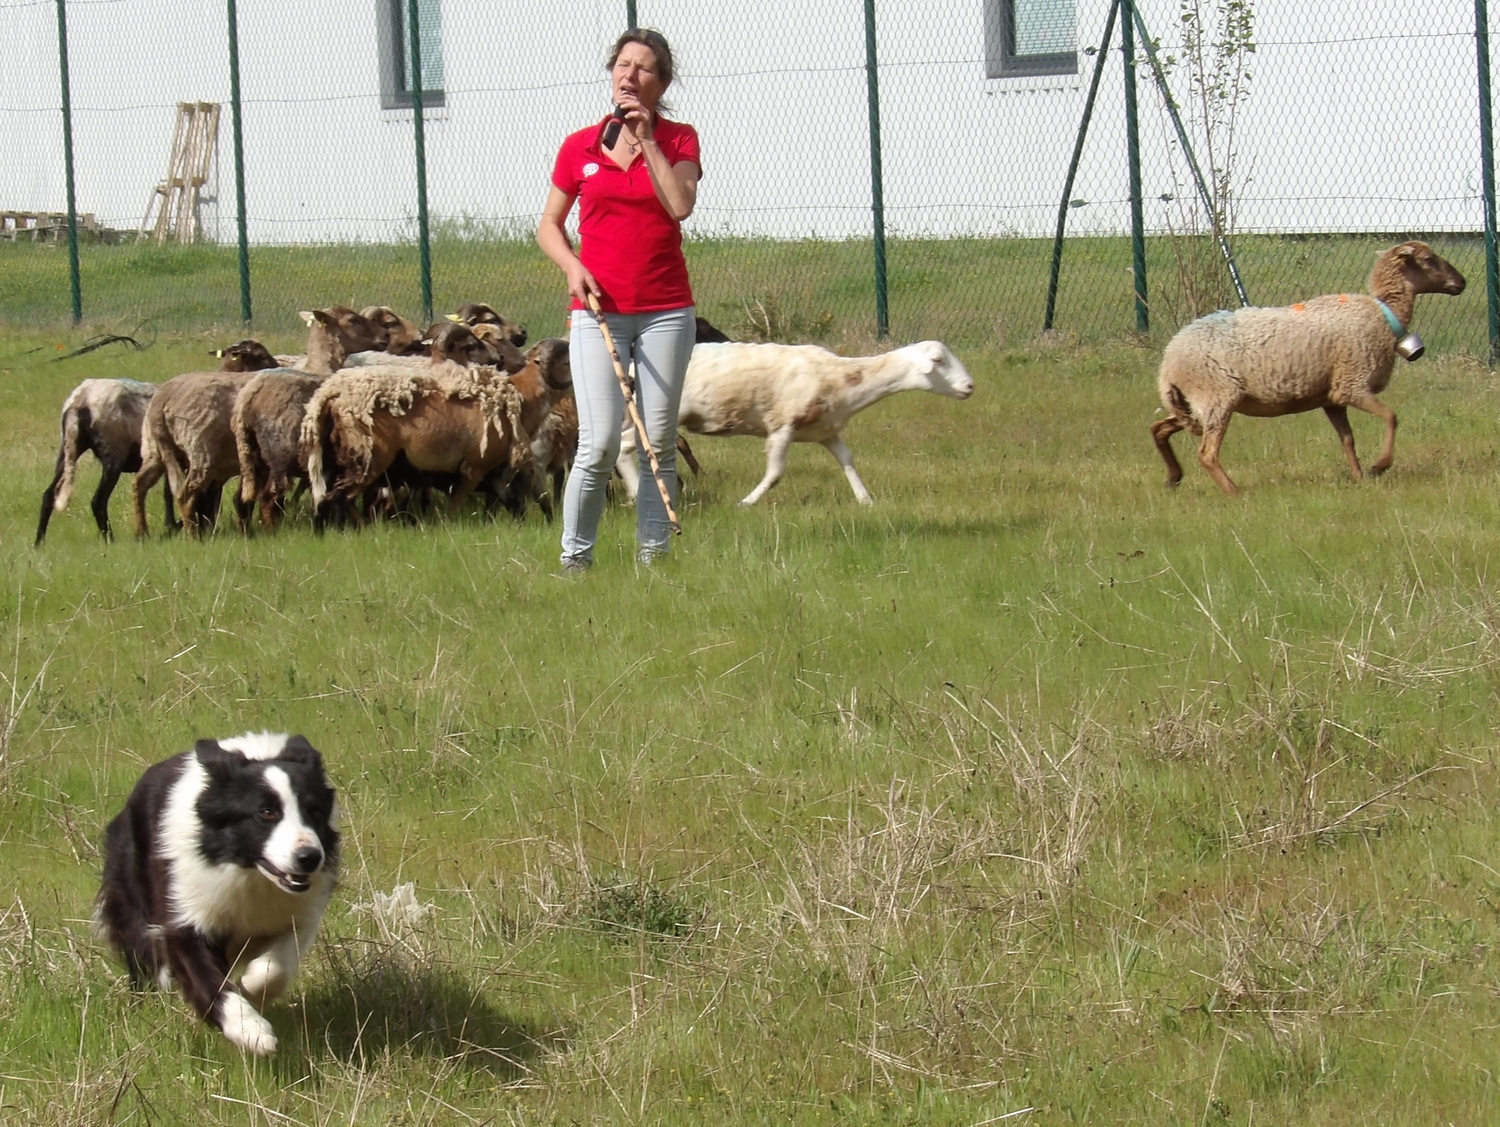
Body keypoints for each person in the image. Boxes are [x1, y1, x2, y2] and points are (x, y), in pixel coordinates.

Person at [537, 28, 701, 571]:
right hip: (597, 314)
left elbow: (679, 206)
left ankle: (654, 561)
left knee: (656, 441)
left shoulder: (679, 140)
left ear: (662, 82)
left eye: (644, 68)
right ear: (612, 72)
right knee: (601, 444)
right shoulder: (578, 145)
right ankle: (574, 562)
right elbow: (549, 226)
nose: (630, 75)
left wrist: (648, 140)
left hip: (666, 312)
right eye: (622, 65)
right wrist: (573, 267)